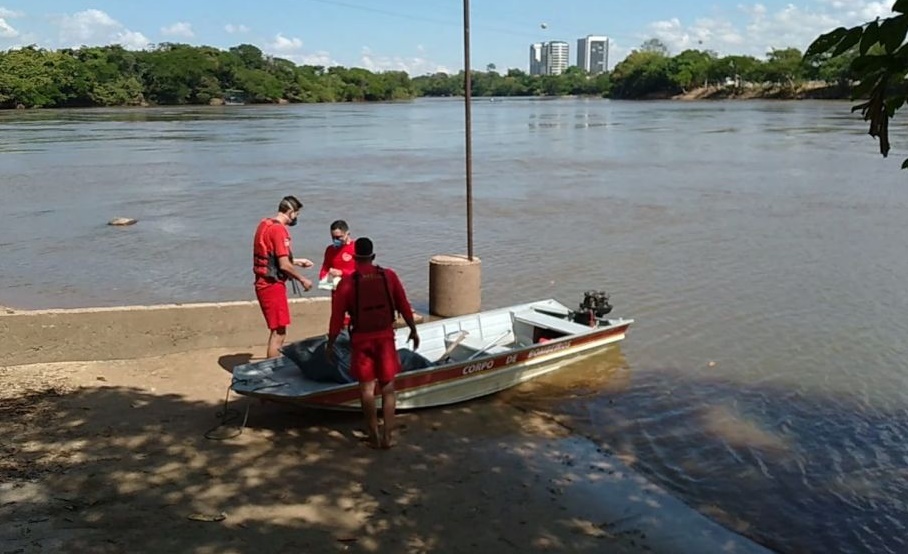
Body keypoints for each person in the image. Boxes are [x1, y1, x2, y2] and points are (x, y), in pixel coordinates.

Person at [326, 237, 419, 449]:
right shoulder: (389, 276)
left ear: (355, 258)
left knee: (367, 389)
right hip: (385, 338)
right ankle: (388, 436)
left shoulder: (347, 283)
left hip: (361, 340)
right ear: (373, 256)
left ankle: (373, 434)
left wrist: (330, 343)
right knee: (388, 387)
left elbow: (336, 318)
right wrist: (413, 329)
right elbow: (404, 304)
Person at [252, 195, 314, 359]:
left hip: (263, 282)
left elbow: (272, 257)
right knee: (279, 331)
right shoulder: (279, 230)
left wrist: (298, 261)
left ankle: (271, 365)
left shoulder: (265, 224)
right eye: (297, 214)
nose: (296, 218)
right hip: (272, 285)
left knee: (277, 330)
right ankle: (272, 369)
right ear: (291, 212)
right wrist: (303, 279)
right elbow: (284, 265)